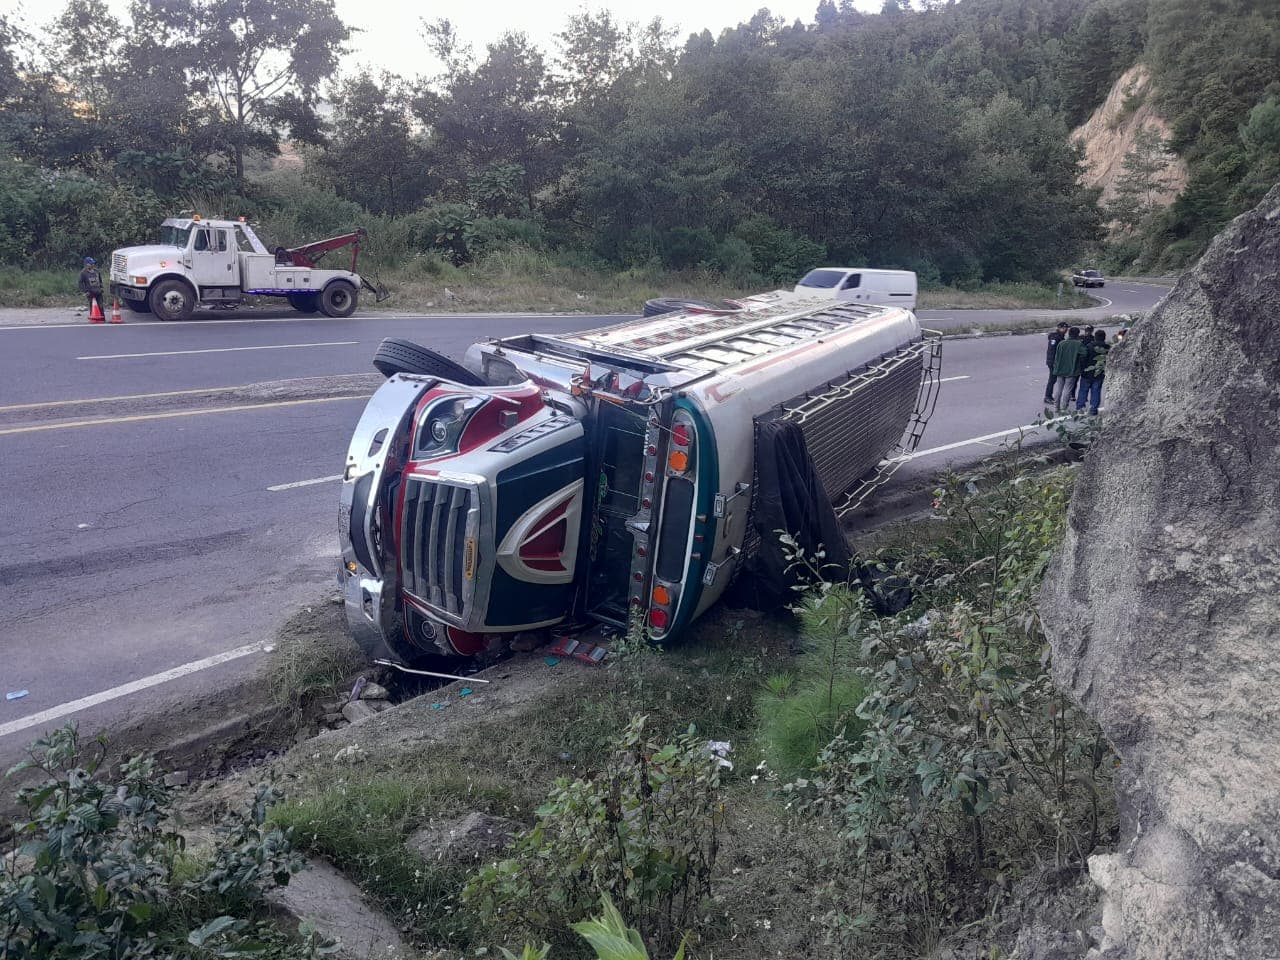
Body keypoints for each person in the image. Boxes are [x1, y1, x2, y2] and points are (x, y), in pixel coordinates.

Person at [1052, 326, 1086, 412]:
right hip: (1072, 370)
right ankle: (1064, 408)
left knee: (1059, 388)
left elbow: (1056, 356)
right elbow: (1085, 354)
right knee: (1067, 389)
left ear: (1069, 333)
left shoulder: (1061, 343)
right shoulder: (1078, 344)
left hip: (1060, 369)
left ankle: (1056, 407)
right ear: (1077, 334)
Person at [1076, 329, 1109, 415]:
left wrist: (1082, 370)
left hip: (1087, 372)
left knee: (1083, 390)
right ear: (1104, 338)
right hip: (1099, 373)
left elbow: (1083, 359)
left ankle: (1080, 408)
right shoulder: (1107, 348)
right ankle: (1093, 409)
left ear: (1095, 337)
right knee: (1096, 391)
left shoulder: (1088, 346)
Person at [1044, 322, 1068, 403]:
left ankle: (1049, 396)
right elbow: (1052, 351)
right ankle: (1047, 396)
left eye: (1066, 328)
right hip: (1053, 362)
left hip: (1055, 362)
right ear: (1059, 328)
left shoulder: (1060, 337)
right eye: (1064, 328)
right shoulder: (1056, 338)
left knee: (1054, 379)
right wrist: (1054, 362)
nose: (1066, 330)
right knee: (1052, 379)